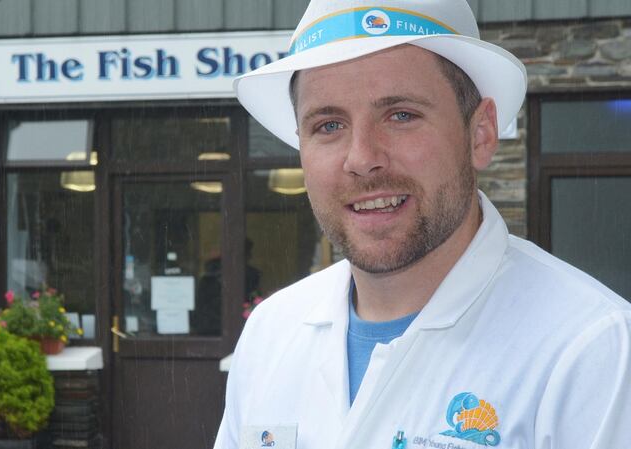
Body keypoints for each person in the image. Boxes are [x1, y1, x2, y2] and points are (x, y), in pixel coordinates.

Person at [214, 1, 631, 448]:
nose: (362, 159)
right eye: (329, 124)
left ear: (480, 134)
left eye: (401, 115)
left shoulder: (591, 351)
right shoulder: (270, 333)